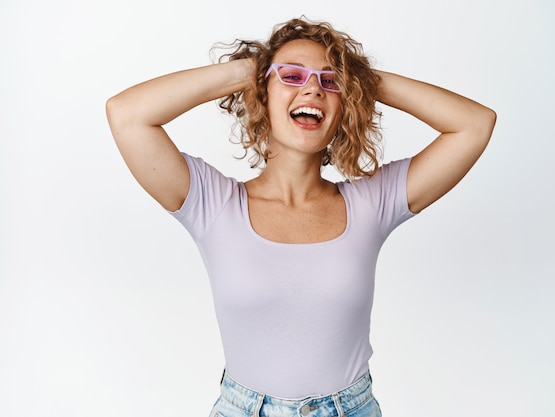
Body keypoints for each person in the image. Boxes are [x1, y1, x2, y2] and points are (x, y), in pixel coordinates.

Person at [106, 17, 496, 417]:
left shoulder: (371, 204)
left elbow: (474, 125)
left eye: (331, 82)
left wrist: (358, 78)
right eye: (292, 76)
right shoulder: (214, 204)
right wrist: (250, 69)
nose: (312, 88)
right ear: (260, 95)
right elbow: (127, 115)